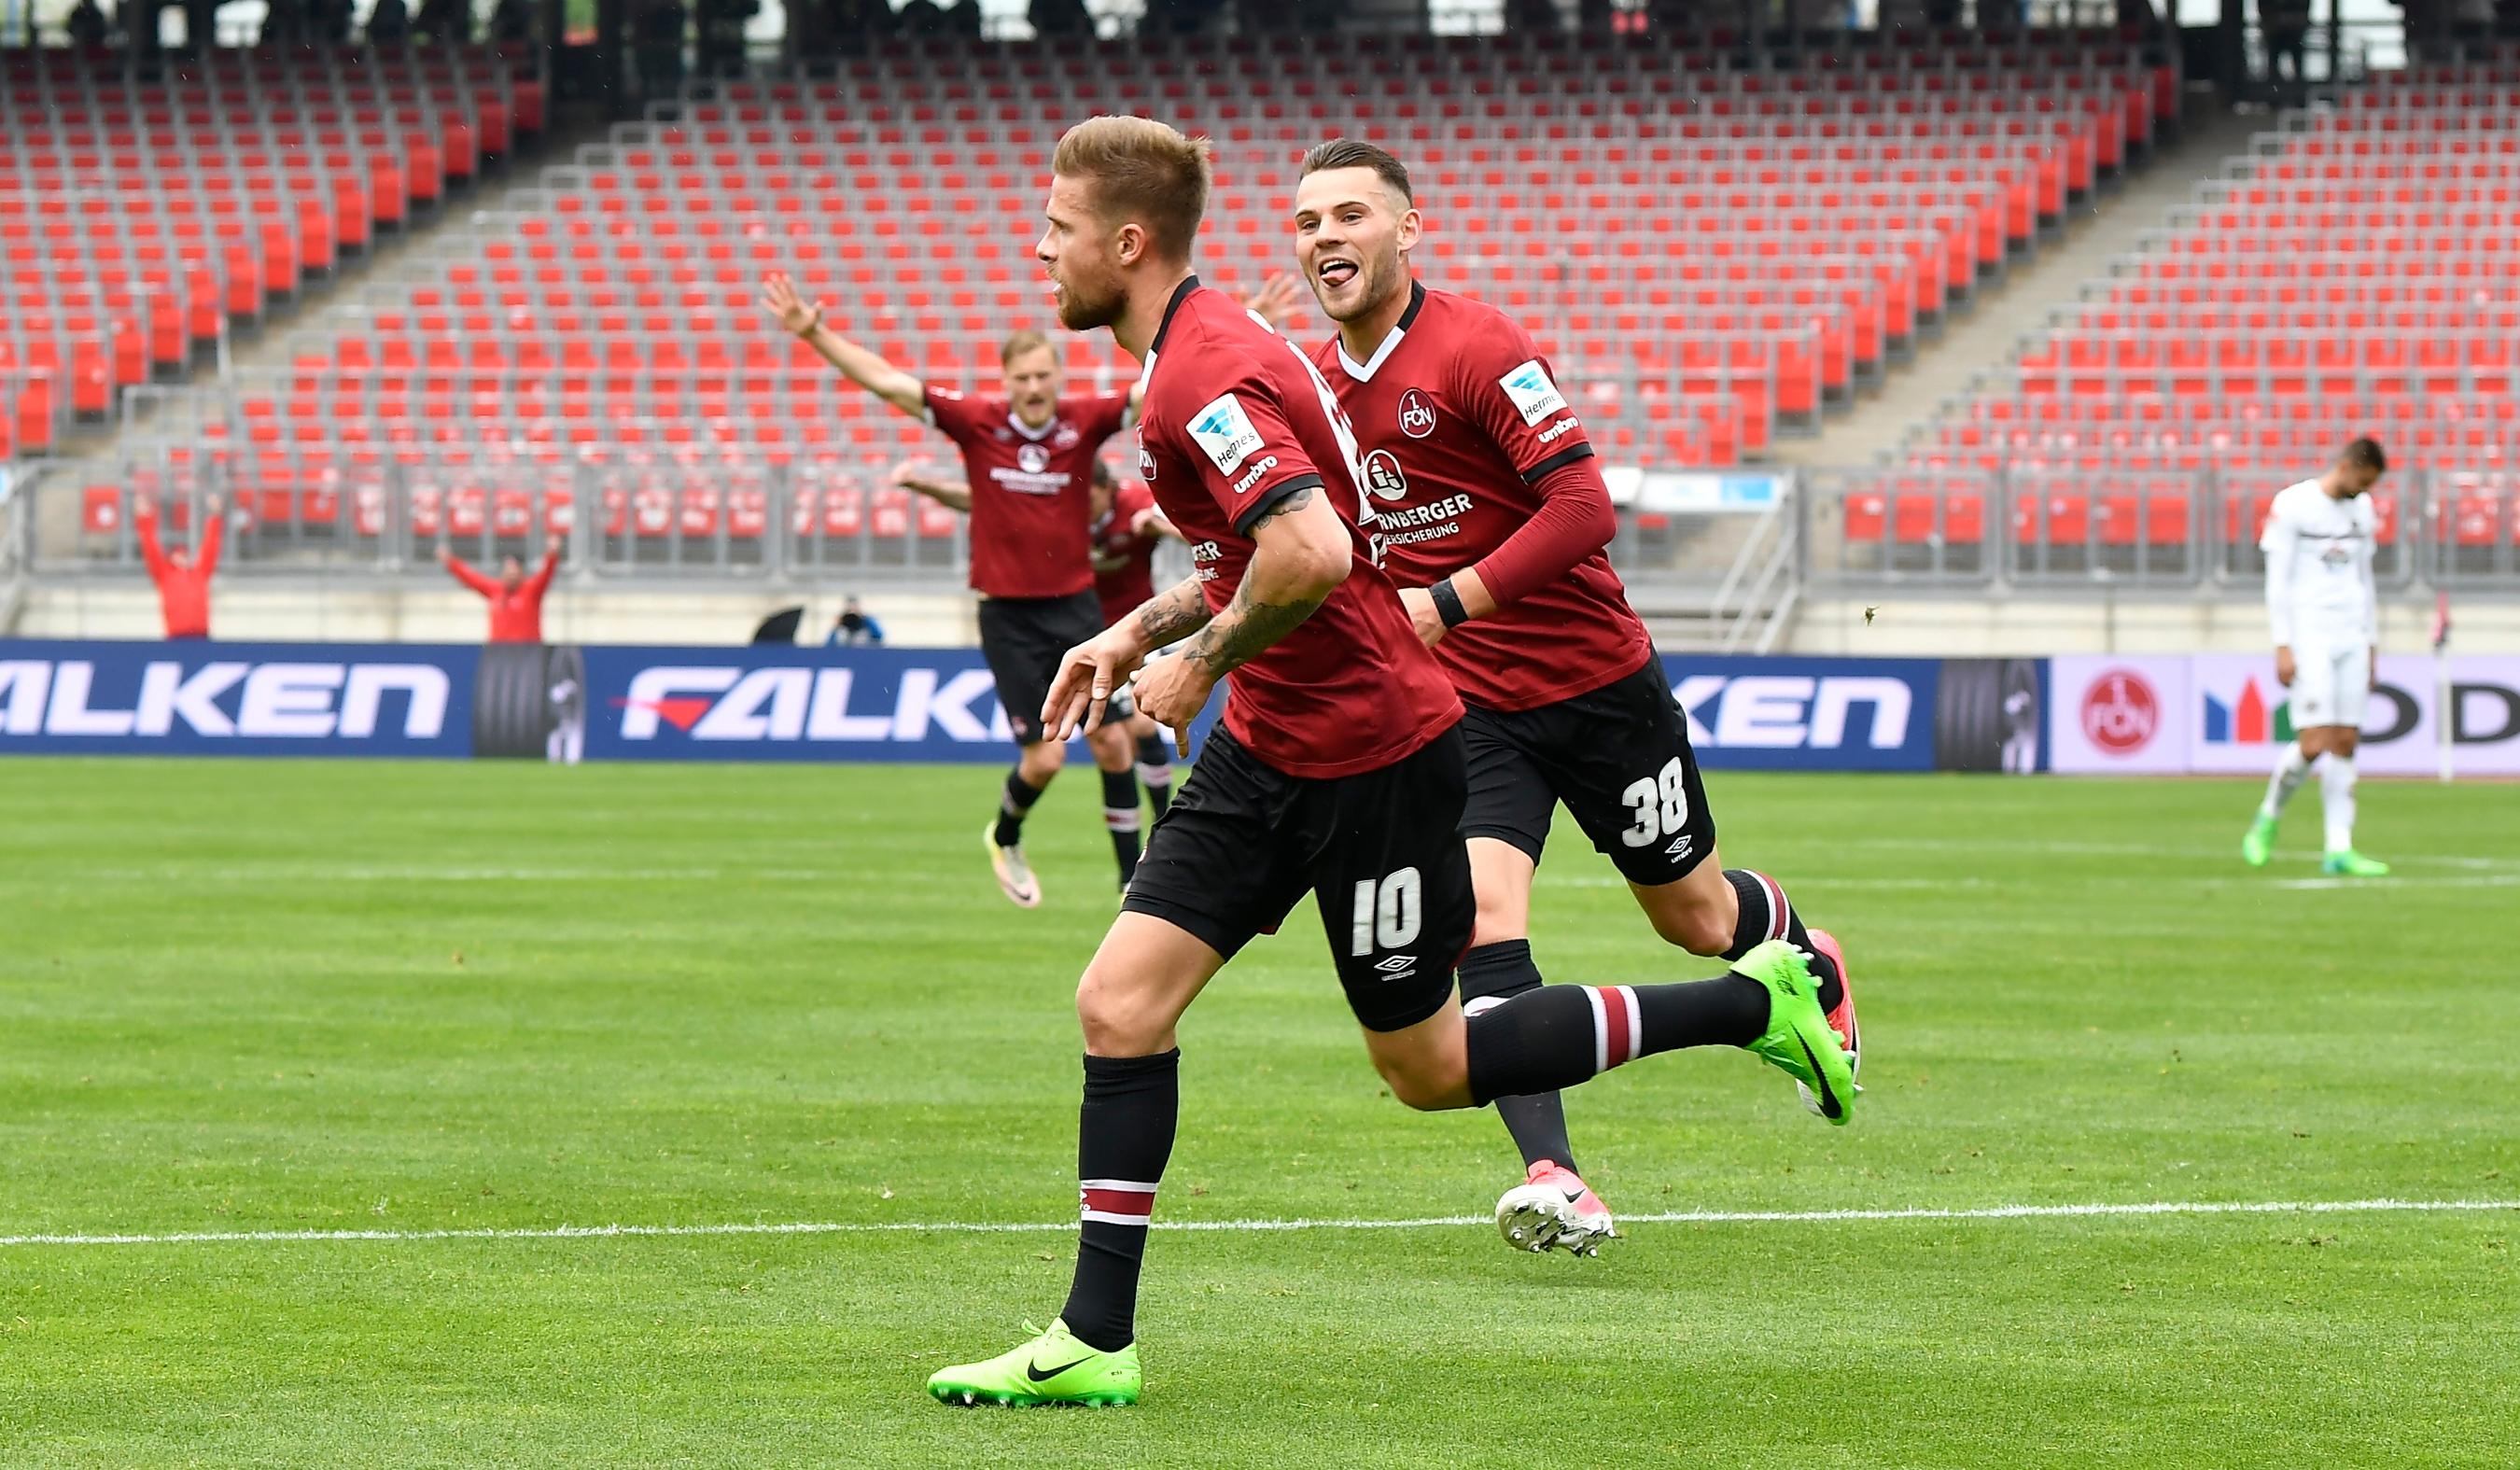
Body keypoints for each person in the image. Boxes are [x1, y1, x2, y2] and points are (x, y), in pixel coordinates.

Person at [923, 114, 1853, 1410]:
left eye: (1059, 231)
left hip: (1375, 755)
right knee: (1117, 1002)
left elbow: (1308, 551)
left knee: (1426, 1067)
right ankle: (1095, 1338)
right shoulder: (1200, 357)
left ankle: (1760, 1003)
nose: (1040, 250)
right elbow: (1256, 546)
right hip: (1271, 749)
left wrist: (1199, 661)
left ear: (1126, 244)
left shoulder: (1204, 372)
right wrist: (1131, 629)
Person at [1273, 138, 1859, 1256]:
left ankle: (1807, 959)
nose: (1325, 238)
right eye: (1306, 223)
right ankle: (1555, 1173)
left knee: (1696, 919)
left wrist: (1443, 604)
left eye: (1350, 215)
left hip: (1599, 687)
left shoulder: (1478, 346)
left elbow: (1584, 508)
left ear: (1408, 229)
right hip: (1471, 711)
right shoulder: (1319, 393)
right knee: (1484, 926)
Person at [759, 280, 1143, 907]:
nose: (1036, 388)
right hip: (1009, 617)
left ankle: (1132, 881)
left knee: (1113, 739)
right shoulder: (978, 423)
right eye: (1023, 377)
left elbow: (1151, 386)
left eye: (1045, 375)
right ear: (1007, 381)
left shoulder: (1084, 422)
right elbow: (888, 382)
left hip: (1076, 606)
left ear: (1057, 376)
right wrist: (813, 333)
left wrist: (1241, 327)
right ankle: (1006, 833)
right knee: (1044, 761)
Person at [2243, 439, 2389, 877]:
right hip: (2310, 637)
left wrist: (2371, 643)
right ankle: (2268, 816)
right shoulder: (2293, 505)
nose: (2363, 492)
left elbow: (2365, 579)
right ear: (2345, 466)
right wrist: (2282, 643)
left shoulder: (2362, 510)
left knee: (2346, 741)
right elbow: (2277, 581)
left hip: (2351, 635)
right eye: (2360, 483)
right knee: (2313, 743)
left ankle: (2339, 848)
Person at [133, 494, 223, 640]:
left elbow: (211, 546)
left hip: (201, 636)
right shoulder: (164, 574)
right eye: (178, 555)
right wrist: (144, 517)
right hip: (176, 638)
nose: (182, 558)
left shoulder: (199, 573)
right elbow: (150, 547)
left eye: (185, 555)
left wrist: (215, 516)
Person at [442, 546, 561, 643]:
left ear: (521, 573)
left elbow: (546, 574)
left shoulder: (531, 590)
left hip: (527, 651)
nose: (511, 574)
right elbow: (472, 578)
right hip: (499, 651)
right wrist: (451, 562)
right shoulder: (495, 590)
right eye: (508, 570)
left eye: (514, 571)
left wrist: (552, 554)